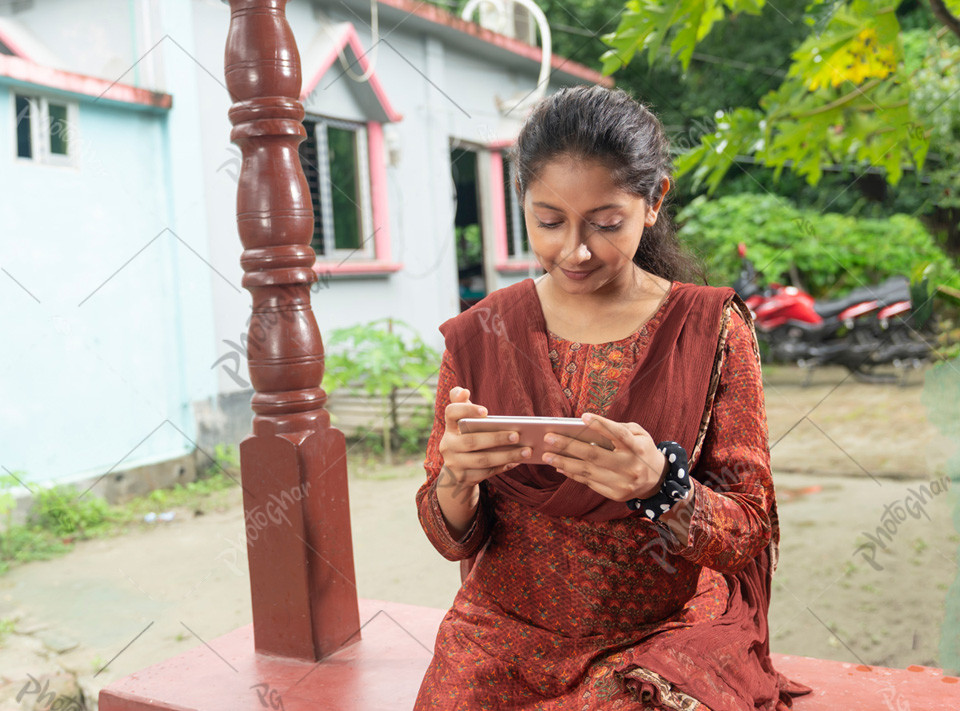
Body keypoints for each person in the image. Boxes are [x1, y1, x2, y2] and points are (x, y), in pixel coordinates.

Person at [414, 85, 811, 710]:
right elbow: (451, 539)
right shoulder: (482, 333)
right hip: (504, 636)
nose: (573, 251)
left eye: (605, 224)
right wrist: (457, 482)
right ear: (522, 204)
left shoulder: (711, 331)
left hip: (659, 635)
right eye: (549, 221)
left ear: (653, 202)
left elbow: (748, 530)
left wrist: (662, 486)